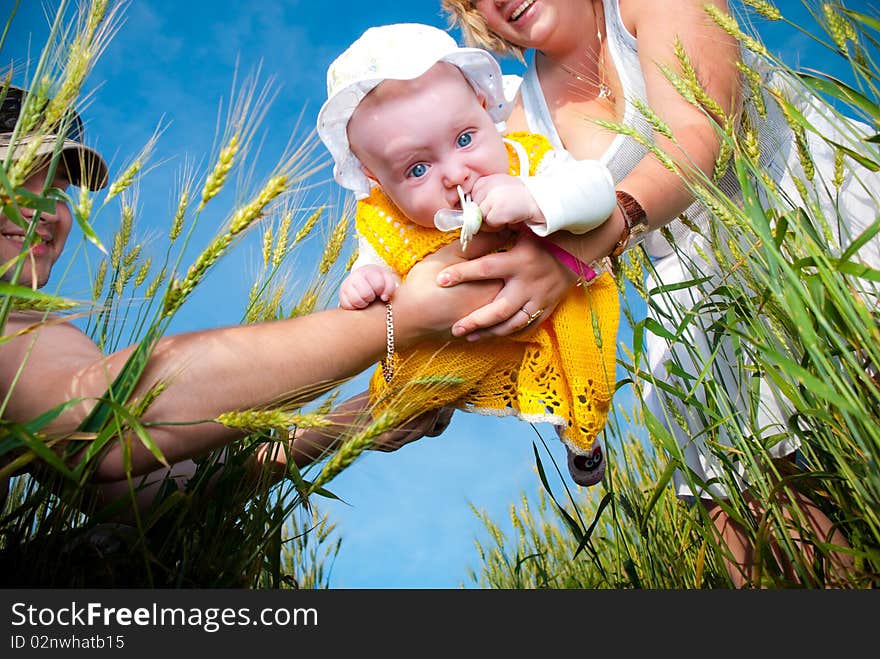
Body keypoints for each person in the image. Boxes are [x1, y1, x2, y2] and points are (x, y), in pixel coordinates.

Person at [439, 0, 879, 586]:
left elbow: (700, 130)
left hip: (813, 218)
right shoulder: (525, 124)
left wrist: (576, 250)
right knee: (734, 493)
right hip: (705, 300)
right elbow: (477, 278)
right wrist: (336, 424)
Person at [0, 83, 506, 515]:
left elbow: (147, 493)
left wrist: (359, 418)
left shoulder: (27, 330)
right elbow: (104, 424)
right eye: (17, 179)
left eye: (60, 192)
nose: (46, 211)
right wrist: (404, 317)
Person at [316, 22, 624, 487]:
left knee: (580, 374)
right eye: (417, 168)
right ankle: (418, 410)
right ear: (376, 179)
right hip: (462, 337)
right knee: (411, 377)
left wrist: (536, 200)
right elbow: (374, 259)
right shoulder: (386, 221)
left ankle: (580, 438)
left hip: (555, 311)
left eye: (464, 140)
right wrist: (368, 279)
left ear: (484, 108)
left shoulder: (529, 161)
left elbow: (600, 193)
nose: (455, 173)